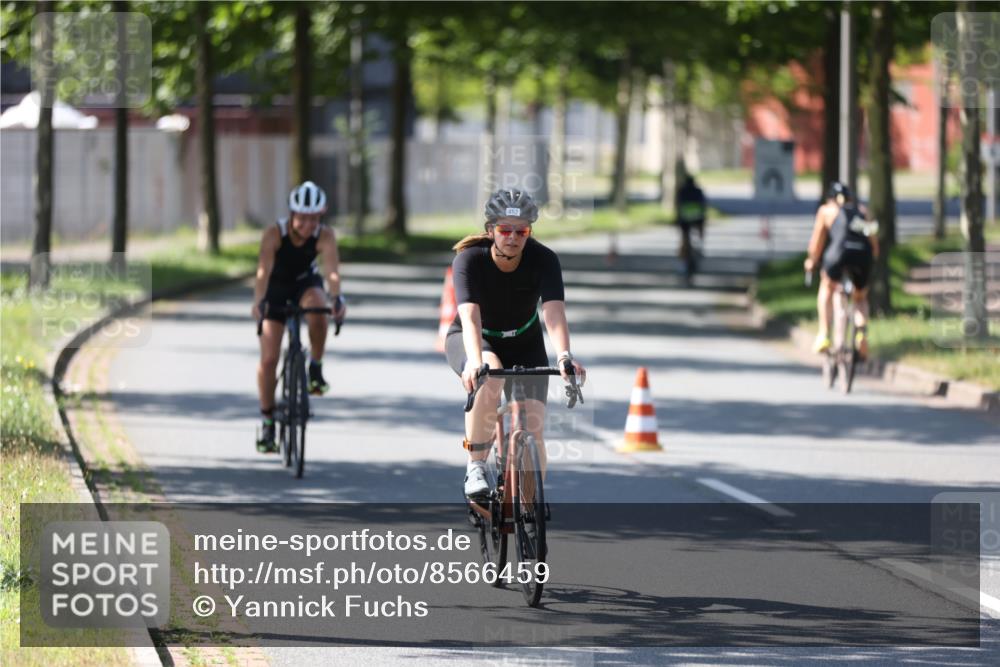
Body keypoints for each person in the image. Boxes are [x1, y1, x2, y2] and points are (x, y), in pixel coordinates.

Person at [445, 188, 587, 498]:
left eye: (520, 230)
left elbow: (553, 312)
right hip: (475, 338)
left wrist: (564, 356)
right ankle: (476, 466)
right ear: (490, 230)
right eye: (504, 229)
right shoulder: (468, 260)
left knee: (533, 428)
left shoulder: (544, 259)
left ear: (529, 231)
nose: (512, 237)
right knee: (490, 375)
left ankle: (529, 511)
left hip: (525, 340)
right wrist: (474, 361)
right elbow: (469, 317)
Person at [251, 181, 347, 453]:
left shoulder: (325, 236)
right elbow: (262, 271)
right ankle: (268, 421)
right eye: (302, 218)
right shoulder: (273, 234)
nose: (307, 225)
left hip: (305, 283)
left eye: (314, 219)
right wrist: (259, 302)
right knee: (269, 358)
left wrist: (337, 298)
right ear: (292, 214)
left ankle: (315, 367)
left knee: (319, 309)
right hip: (276, 287)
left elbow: (331, 273)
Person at [804, 181, 880, 359]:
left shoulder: (827, 211)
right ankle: (861, 331)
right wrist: (870, 262)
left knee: (827, 286)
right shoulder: (862, 211)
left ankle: (823, 333)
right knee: (860, 297)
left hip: (838, 255)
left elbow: (817, 241)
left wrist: (811, 261)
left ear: (830, 198)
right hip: (863, 256)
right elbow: (874, 244)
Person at [675, 174, 707, 282]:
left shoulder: (682, 191)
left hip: (684, 218)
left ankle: (683, 261)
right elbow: (703, 205)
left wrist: (677, 219)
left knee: (684, 238)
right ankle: (701, 243)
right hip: (698, 218)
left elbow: (678, 205)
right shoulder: (698, 191)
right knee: (701, 230)